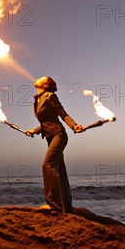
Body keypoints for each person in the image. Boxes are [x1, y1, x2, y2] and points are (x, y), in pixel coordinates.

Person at [25, 77, 84, 213]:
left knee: (48, 165)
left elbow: (63, 115)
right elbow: (46, 122)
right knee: (60, 172)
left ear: (45, 85)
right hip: (50, 137)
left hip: (59, 135)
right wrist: (33, 131)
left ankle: (53, 205)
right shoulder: (37, 99)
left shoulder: (51, 96)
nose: (37, 78)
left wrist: (74, 126)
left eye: (42, 78)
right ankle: (67, 208)